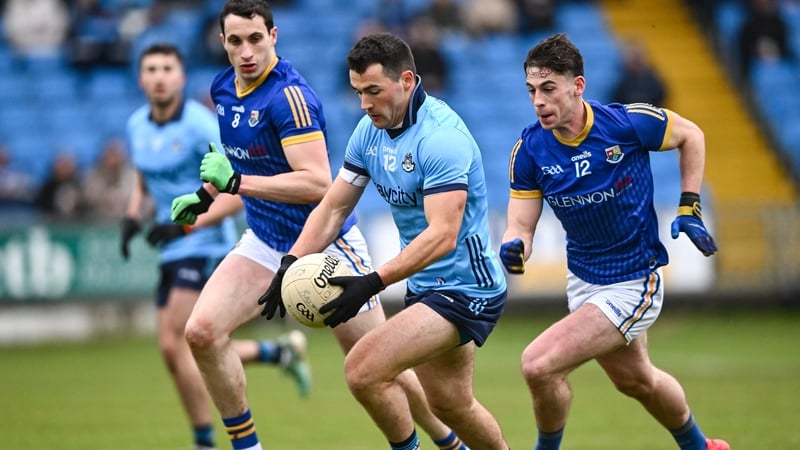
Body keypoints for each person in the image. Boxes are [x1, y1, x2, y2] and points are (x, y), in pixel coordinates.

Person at [169, 3, 467, 450]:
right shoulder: (223, 88)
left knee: (382, 369)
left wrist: (234, 183)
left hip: (328, 248)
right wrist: (207, 195)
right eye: (235, 41)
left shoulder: (289, 97)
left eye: (255, 39)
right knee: (201, 333)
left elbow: (316, 184)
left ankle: (447, 442)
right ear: (222, 42)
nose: (246, 51)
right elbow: (242, 159)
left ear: (274, 35)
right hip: (266, 241)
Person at [257, 32, 510, 450]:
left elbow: (442, 234)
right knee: (450, 405)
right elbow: (333, 207)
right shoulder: (368, 133)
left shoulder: (441, 138)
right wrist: (291, 262)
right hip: (427, 286)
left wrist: (373, 281)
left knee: (363, 370)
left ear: (407, 81)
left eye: (373, 91)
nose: (364, 103)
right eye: (358, 92)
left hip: (468, 288)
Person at [498, 33, 729, 450]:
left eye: (549, 89)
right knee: (637, 381)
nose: (539, 101)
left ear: (577, 86)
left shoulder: (625, 123)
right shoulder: (529, 151)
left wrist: (688, 205)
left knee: (538, 365)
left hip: (634, 281)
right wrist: (514, 245)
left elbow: (691, 135)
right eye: (532, 90)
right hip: (584, 282)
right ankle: (701, 447)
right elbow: (521, 226)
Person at [122, 42, 310, 450]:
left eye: (167, 68)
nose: (158, 76)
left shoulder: (202, 124)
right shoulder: (136, 125)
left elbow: (236, 188)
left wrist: (187, 229)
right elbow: (142, 180)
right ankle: (276, 355)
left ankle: (205, 439)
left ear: (181, 76)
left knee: (178, 342)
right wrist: (133, 216)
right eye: (150, 69)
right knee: (186, 347)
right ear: (140, 78)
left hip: (204, 242)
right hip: (170, 243)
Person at [610, 40, 667, 107]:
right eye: (632, 55)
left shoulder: (654, 80)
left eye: (638, 55)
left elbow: (661, 98)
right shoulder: (622, 80)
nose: (636, 59)